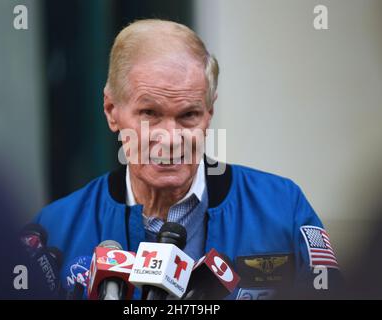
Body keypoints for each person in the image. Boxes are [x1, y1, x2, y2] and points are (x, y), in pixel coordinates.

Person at [34, 19, 341, 299]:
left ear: (209, 113)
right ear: (112, 110)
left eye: (188, 115)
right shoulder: (54, 232)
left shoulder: (283, 210)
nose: (170, 138)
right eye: (150, 114)